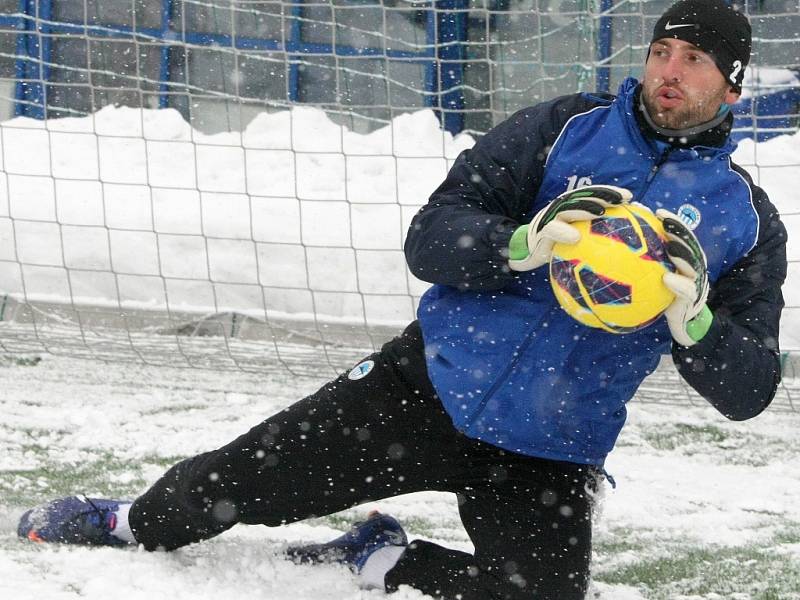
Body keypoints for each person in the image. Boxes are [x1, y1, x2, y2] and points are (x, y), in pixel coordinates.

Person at [17, 1, 786, 598]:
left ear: (733, 84)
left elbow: (750, 390)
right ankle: (125, 522)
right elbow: (431, 238)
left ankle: (383, 556)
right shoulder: (563, 131)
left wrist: (696, 324)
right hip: (426, 389)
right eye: (660, 51)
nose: (668, 71)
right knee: (234, 482)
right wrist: (523, 245)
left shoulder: (744, 221)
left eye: (693, 59)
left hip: (552, 449)